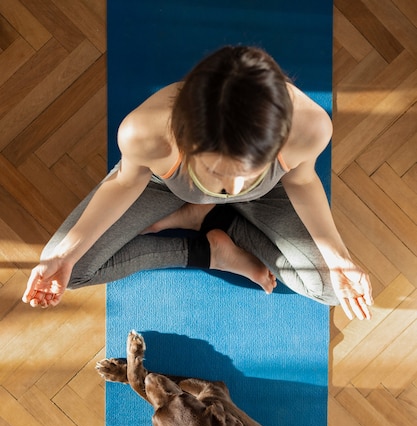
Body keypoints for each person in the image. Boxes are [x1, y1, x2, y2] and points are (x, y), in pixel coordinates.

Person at [22, 45, 373, 320]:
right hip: (166, 186)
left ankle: (211, 220)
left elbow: (302, 181)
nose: (233, 190)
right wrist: (65, 256)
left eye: (248, 172)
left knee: (332, 288)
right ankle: (208, 251)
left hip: (271, 196)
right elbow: (125, 184)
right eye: (217, 173)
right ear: (186, 143)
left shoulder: (310, 126)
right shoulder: (144, 132)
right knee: (71, 271)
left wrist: (340, 260)